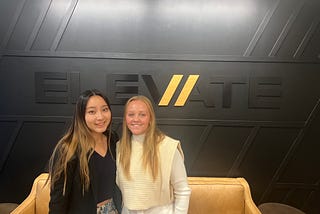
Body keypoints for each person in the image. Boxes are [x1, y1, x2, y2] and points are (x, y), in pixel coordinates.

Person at [48, 89, 121, 214]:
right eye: (92, 111)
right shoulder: (68, 149)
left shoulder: (112, 139)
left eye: (104, 109)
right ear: (81, 115)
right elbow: (58, 199)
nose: (100, 116)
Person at [116, 95, 191, 214]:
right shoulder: (120, 148)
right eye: (131, 114)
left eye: (142, 114)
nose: (136, 119)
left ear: (150, 118)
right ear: (125, 119)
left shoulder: (168, 147)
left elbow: (182, 190)